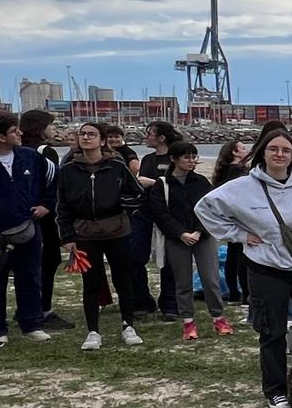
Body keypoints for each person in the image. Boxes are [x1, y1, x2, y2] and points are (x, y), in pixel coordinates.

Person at [195, 129, 292, 408]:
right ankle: (275, 389)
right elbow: (204, 208)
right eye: (274, 149)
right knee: (272, 331)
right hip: (264, 267)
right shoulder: (243, 186)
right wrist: (238, 234)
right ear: (263, 152)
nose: (279, 154)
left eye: (286, 150)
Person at [55, 121, 144, 350]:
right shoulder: (68, 169)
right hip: (85, 233)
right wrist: (67, 238)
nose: (86, 138)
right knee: (91, 283)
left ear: (102, 141)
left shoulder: (116, 165)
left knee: (123, 279)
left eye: (91, 134)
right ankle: (93, 331)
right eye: (82, 134)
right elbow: (62, 207)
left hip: (117, 231)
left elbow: (136, 194)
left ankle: (128, 325)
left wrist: (122, 209)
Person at [145, 141, 232, 342]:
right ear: (174, 159)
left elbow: (210, 209)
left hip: (203, 237)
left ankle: (219, 318)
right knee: (182, 282)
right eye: (187, 157)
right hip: (176, 238)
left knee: (211, 280)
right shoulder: (162, 185)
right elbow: (160, 213)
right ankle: (188, 322)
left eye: (194, 156)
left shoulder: (201, 182)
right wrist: (181, 233)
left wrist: (199, 232)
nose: (192, 161)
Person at [0, 112, 51, 343]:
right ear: (1, 136)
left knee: (30, 276)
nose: (20, 133)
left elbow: (51, 182)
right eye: (13, 131)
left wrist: (45, 205)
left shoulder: (30, 157)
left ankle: (31, 323)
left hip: (29, 228)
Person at [20, 110, 70, 330]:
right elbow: (54, 183)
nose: (54, 130)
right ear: (40, 128)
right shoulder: (45, 152)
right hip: (45, 215)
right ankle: (43, 309)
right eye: (51, 125)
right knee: (49, 260)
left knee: (25, 264)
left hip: (22, 213)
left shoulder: (17, 150)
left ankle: (26, 307)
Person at [130, 120, 181, 318]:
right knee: (135, 258)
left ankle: (170, 304)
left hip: (168, 215)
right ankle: (142, 301)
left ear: (161, 137)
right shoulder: (148, 160)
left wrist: (154, 183)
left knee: (169, 261)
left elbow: (181, 186)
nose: (146, 137)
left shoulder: (175, 158)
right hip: (144, 213)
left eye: (150, 133)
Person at [211, 137, 252, 303]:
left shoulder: (224, 171)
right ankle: (244, 295)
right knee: (241, 256)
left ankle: (234, 292)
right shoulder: (239, 170)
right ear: (234, 152)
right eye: (242, 148)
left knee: (232, 255)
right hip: (239, 216)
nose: (246, 149)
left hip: (228, 216)